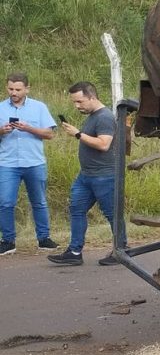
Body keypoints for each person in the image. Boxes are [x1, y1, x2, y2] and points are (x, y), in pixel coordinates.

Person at [47, 82, 117, 267]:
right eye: (74, 102)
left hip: (104, 175)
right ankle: (74, 251)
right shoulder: (93, 116)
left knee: (112, 214)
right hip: (86, 175)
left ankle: (121, 250)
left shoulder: (105, 117)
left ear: (92, 97)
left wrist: (78, 134)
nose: (77, 106)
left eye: (80, 101)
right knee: (76, 209)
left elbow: (104, 144)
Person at [0, 72, 59, 256]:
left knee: (39, 202)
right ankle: (8, 241)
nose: (13, 92)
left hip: (34, 162)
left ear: (27, 88)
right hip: (7, 163)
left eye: (17, 89)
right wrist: (2, 131)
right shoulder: (1, 108)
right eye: (10, 88)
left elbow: (49, 134)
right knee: (5, 203)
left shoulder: (39, 107)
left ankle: (44, 239)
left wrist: (28, 128)